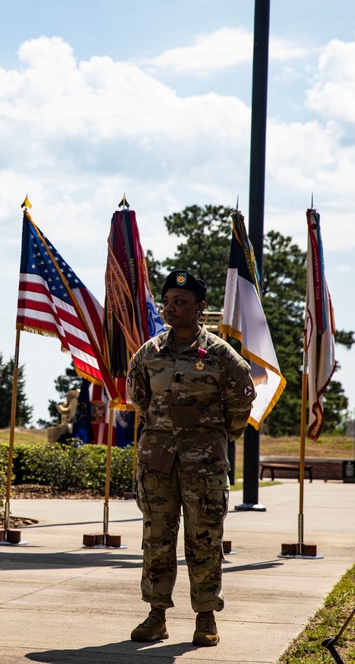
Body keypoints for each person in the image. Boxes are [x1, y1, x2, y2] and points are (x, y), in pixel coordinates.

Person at [125, 269, 255, 647]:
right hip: (157, 463)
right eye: (167, 301)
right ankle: (156, 615)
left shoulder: (220, 356)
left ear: (200, 308)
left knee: (205, 538)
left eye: (180, 302)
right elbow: (140, 398)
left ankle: (206, 616)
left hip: (205, 464)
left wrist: (212, 439)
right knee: (157, 538)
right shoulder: (149, 354)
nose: (171, 308)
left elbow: (240, 405)